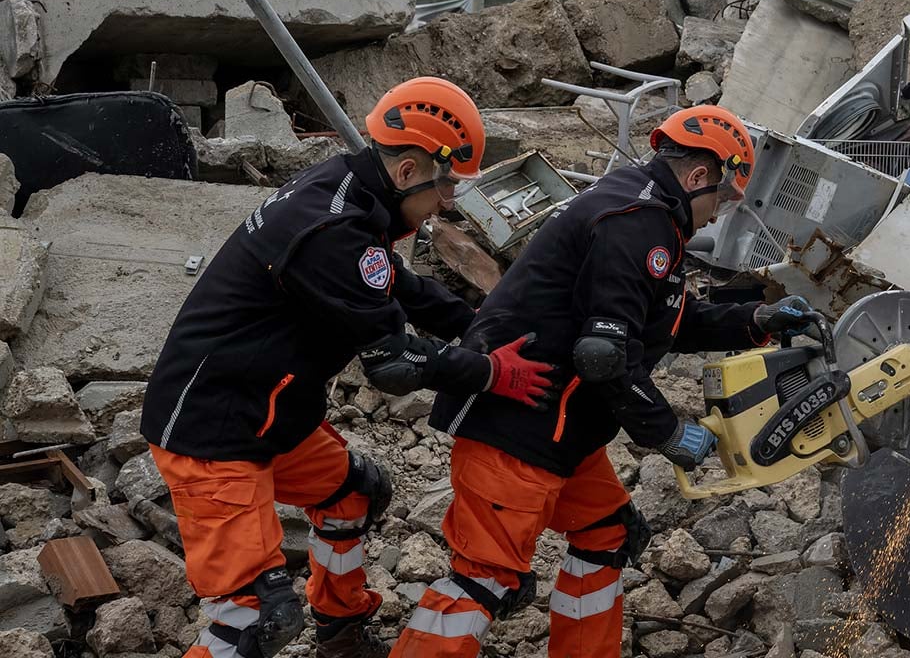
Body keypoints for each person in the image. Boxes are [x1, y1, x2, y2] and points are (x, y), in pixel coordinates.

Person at [139, 78, 554, 658]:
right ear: (409, 171)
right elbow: (395, 362)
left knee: (352, 494)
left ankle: (341, 632)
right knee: (252, 620)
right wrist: (491, 372)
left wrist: (476, 321)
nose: (449, 202)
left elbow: (395, 283)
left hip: (270, 414)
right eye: (445, 186)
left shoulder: (352, 195)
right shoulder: (332, 229)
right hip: (216, 432)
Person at [401, 105, 820, 658]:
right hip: (518, 427)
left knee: (608, 533)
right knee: (487, 578)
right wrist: (665, 431)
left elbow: (665, 317)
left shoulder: (646, 214)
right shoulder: (635, 221)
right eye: (721, 199)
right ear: (697, 178)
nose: (719, 216)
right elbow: (603, 354)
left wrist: (754, 322)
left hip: (560, 427)